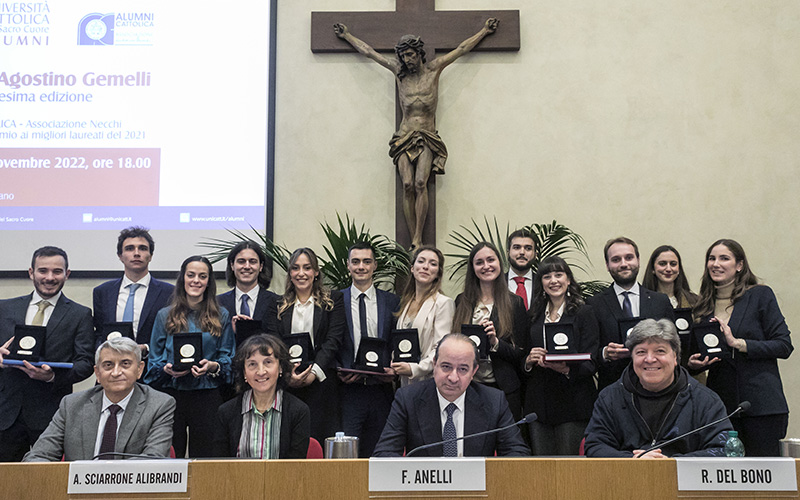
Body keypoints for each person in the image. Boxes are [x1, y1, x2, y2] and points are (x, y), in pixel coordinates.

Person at [334, 19, 499, 248]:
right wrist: (347, 36)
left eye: (410, 55)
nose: (407, 60)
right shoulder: (399, 72)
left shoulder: (434, 69)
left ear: (419, 53)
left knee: (421, 182)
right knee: (408, 185)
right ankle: (413, 237)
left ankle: (418, 237)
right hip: (404, 135)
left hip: (427, 137)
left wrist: (484, 31)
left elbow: (462, 49)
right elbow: (370, 53)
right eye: (404, 56)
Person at [688, 239, 793, 456]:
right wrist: (693, 364)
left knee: (764, 478)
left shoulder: (760, 295)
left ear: (739, 265)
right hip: (721, 408)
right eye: (711, 258)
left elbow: (784, 345)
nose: (716, 264)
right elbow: (694, 354)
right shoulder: (702, 306)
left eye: (724, 258)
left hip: (762, 406)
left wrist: (739, 344)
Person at [584, 319, 732, 458]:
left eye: (660, 351)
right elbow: (595, 445)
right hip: (626, 479)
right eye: (641, 352)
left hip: (683, 482)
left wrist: (670, 464)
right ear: (632, 358)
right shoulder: (610, 397)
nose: (650, 359)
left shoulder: (705, 400)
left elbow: (724, 449)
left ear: (675, 357)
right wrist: (632, 460)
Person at [0, 246, 94, 462]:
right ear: (31, 272)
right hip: (6, 413)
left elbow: (86, 363)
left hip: (52, 414)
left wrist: (52, 376)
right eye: (43, 271)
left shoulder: (80, 314)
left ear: (67, 274)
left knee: (50, 483)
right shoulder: (4, 308)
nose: (49, 277)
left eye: (57, 271)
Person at [373, 333, 529, 457]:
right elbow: (384, 453)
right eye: (446, 367)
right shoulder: (408, 399)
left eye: (462, 369)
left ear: (474, 371)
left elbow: (517, 453)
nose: (453, 378)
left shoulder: (494, 401)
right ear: (434, 365)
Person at [23, 337, 176, 461]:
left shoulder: (159, 405)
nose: (116, 372)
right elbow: (38, 456)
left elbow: (153, 459)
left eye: (125, 364)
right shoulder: (71, 405)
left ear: (139, 369)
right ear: (97, 372)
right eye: (108, 365)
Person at [144, 256, 235, 458]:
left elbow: (228, 357)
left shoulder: (221, 315)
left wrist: (212, 366)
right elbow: (154, 361)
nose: (196, 281)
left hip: (207, 396)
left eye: (202, 276)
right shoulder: (164, 315)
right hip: (171, 395)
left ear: (208, 281)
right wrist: (166, 368)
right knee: (169, 455)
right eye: (191, 275)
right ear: (182, 278)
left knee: (205, 457)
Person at [523, 256, 599, 455]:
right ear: (541, 283)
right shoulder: (533, 315)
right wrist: (529, 361)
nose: (553, 280)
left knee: (569, 470)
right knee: (542, 469)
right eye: (547, 276)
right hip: (539, 404)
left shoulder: (584, 312)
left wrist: (565, 369)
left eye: (559, 274)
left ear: (569, 280)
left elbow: (593, 359)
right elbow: (522, 353)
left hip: (573, 402)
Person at [337, 242, 400, 457]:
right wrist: (339, 368)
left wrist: (395, 371)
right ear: (348, 266)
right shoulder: (336, 300)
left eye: (366, 261)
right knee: (347, 456)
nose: (361, 266)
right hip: (348, 391)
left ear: (374, 265)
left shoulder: (392, 301)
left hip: (381, 390)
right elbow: (329, 341)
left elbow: (397, 342)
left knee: (381, 452)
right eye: (356, 262)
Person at [276, 248, 345, 443]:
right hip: (288, 383)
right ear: (290, 273)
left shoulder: (333, 301)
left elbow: (333, 340)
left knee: (320, 439)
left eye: (307, 268)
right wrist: (288, 375)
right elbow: (274, 342)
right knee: (292, 442)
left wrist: (314, 372)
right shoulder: (278, 304)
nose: (301, 273)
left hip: (322, 382)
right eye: (296, 268)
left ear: (316, 272)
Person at [452, 242, 527, 420]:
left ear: (500, 264)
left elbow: (521, 354)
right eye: (479, 262)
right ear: (473, 268)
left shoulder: (514, 303)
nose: (486, 266)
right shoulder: (461, 301)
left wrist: (495, 343)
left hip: (504, 390)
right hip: (469, 387)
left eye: (491, 260)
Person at [589, 237, 674, 390]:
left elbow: (673, 346)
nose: (623, 264)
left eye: (629, 257)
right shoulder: (594, 304)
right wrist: (605, 353)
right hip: (613, 389)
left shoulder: (660, 302)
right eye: (616, 259)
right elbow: (589, 352)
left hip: (657, 388)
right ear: (607, 265)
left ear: (638, 260)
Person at [213, 334, 310, 459]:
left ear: (280, 368)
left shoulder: (299, 411)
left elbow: (296, 467)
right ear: (244, 373)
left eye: (268, 362)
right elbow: (220, 466)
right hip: (238, 478)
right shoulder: (226, 412)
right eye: (252, 364)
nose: (261, 372)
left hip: (283, 478)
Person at [92, 226, 174, 356]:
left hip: (151, 369)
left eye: (142, 248)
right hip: (111, 368)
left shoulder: (169, 293)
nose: (136, 253)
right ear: (120, 256)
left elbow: (171, 336)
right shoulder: (103, 292)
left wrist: (146, 348)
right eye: (129, 249)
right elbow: (99, 333)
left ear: (150, 256)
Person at [392, 245, 455, 386]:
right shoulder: (406, 302)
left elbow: (441, 349)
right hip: (404, 382)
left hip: (429, 381)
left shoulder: (443, 303)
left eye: (433, 264)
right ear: (412, 268)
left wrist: (415, 369)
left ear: (438, 273)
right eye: (421, 261)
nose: (426, 267)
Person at [217, 240, 279, 340]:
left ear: (261, 266)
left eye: (252, 261)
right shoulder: (218, 303)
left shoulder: (276, 302)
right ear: (232, 265)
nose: (247, 266)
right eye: (241, 261)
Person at [642, 245, 699, 309]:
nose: (668, 269)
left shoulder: (695, 301)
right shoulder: (641, 301)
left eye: (673, 264)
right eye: (662, 264)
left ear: (679, 269)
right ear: (653, 269)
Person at [506, 229, 537, 311]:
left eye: (528, 248)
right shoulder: (496, 282)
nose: (522, 252)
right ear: (508, 253)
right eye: (516, 247)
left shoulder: (543, 283)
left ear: (535, 255)